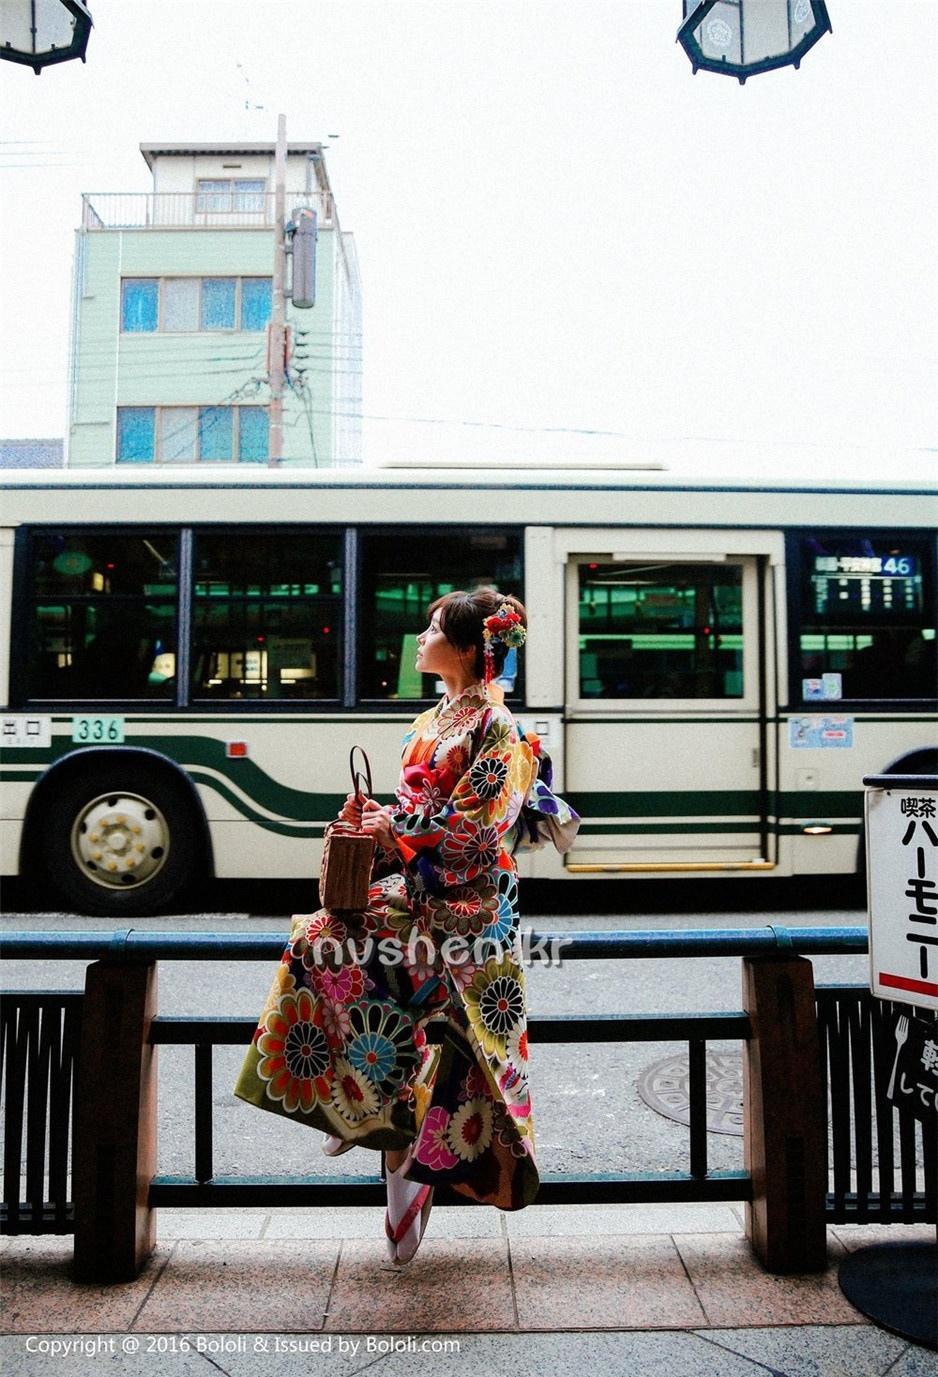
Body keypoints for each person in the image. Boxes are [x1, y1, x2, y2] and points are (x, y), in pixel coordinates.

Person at [234, 587, 577, 1265]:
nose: (420, 636)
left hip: (470, 910)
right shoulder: (430, 718)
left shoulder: (501, 731)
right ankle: (356, 1107)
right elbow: (412, 817)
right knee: (318, 939)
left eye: (433, 627)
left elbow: (480, 833)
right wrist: (375, 821)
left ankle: (363, 1117)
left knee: (387, 994)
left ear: (472, 649)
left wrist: (397, 828)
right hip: (418, 892)